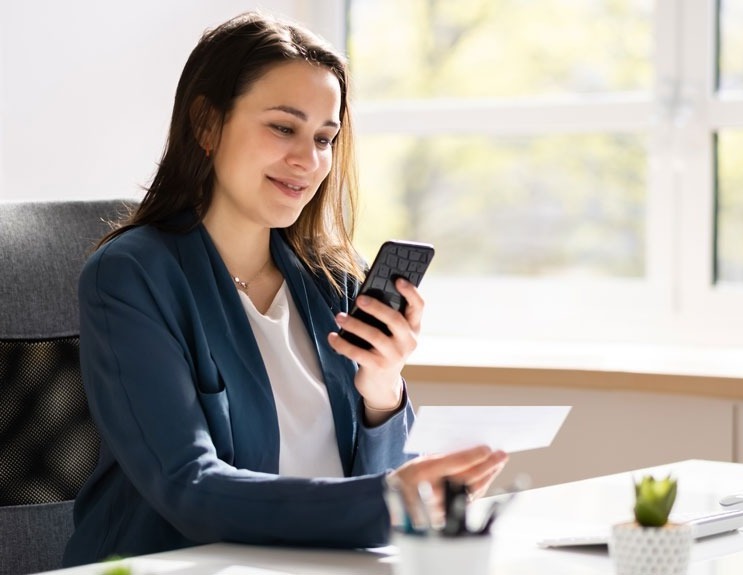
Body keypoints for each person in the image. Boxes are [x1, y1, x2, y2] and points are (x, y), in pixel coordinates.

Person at [63, 11, 508, 566]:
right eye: (283, 127)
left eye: (325, 138)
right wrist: (392, 501)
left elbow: (372, 490)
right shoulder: (132, 274)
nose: (308, 160)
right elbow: (190, 487)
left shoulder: (334, 279)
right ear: (206, 124)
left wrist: (383, 391)